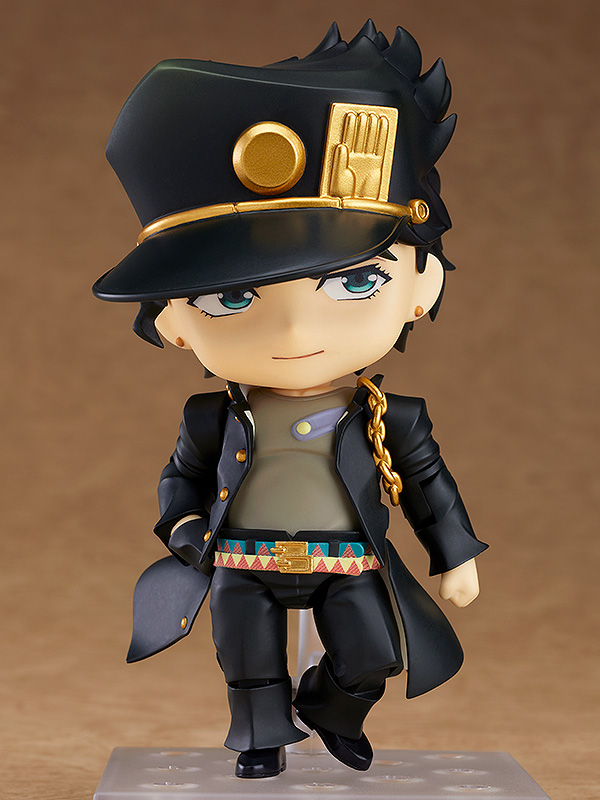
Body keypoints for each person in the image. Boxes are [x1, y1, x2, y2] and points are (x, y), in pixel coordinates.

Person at [93, 20, 488, 779]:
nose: (298, 330)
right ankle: (260, 738)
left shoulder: (390, 418)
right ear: (172, 320)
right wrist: (184, 529)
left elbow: (428, 486)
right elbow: (181, 480)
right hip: (242, 558)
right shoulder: (210, 418)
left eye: (355, 281)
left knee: (373, 650)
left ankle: (335, 704)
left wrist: (455, 555)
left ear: (423, 283)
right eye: (231, 297)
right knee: (246, 658)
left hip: (349, 560)